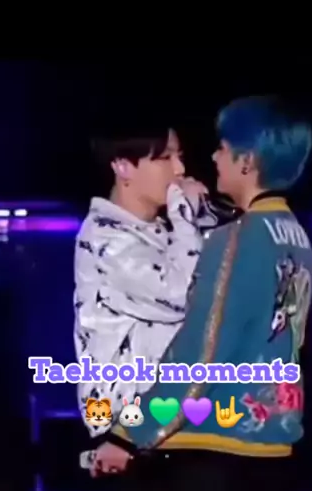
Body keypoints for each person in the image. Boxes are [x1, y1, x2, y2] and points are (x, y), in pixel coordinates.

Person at [95, 96, 312, 491]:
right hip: (273, 442)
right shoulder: (297, 238)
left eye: (222, 148)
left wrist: (127, 434)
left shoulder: (238, 237)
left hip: (213, 457)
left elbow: (201, 352)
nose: (213, 157)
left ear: (247, 161)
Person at [74, 118, 218, 462]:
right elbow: (182, 297)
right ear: (123, 167)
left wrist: (202, 219)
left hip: (170, 422)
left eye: (180, 157)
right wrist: (186, 217)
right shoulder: (106, 240)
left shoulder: (162, 231)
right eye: (165, 158)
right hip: (126, 431)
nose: (179, 170)